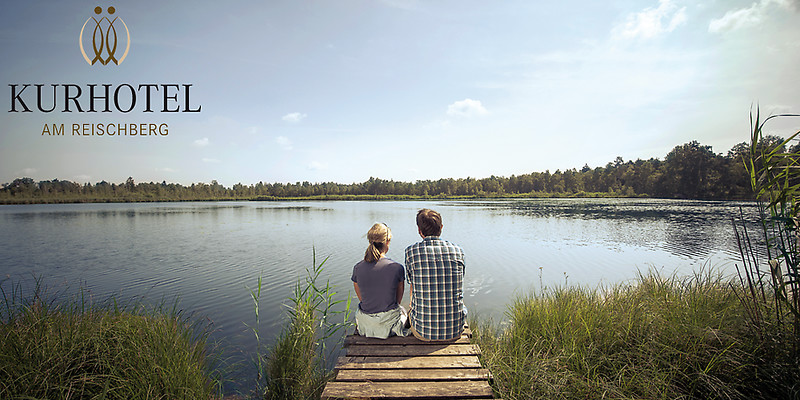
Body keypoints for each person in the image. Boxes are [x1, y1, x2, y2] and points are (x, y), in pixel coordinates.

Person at [405, 208, 466, 341]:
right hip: (455, 331)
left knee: (411, 307)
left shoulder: (411, 252)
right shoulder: (458, 251)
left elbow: (412, 283)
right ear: (441, 227)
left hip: (423, 333)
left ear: (419, 230)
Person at [351, 222, 408, 339]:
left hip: (366, 326)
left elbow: (362, 299)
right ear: (387, 241)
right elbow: (397, 301)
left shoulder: (357, 268)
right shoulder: (397, 268)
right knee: (403, 311)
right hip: (389, 327)